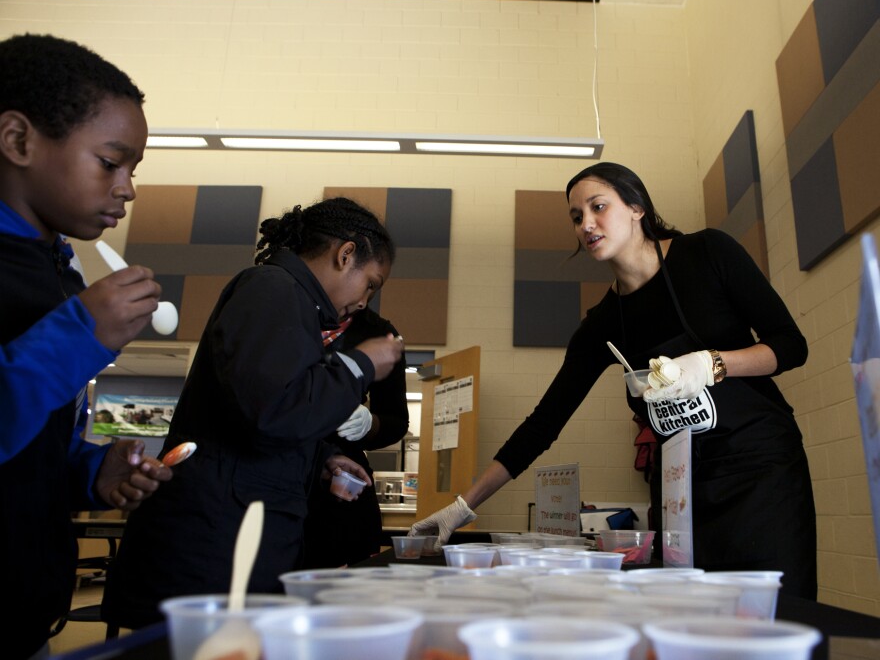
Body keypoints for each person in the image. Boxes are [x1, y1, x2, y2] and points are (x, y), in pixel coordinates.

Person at [410, 162, 818, 599]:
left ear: (637, 207)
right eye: (576, 216)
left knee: (778, 616)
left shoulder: (706, 254)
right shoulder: (601, 327)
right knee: (695, 621)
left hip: (762, 471)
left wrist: (713, 364)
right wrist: (463, 505)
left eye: (598, 207)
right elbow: (541, 426)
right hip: (682, 489)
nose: (586, 224)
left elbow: (791, 346)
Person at [102, 197, 405, 629]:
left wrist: (320, 461)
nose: (364, 302)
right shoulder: (273, 289)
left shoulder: (295, 304)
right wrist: (359, 365)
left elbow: (254, 406)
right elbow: (273, 411)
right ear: (346, 254)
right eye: (371, 284)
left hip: (233, 538)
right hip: (212, 548)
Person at [0, 33, 173, 660]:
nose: (127, 188)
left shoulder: (57, 270)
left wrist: (88, 470)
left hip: (27, 615)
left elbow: (29, 445)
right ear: (19, 141)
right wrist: (79, 336)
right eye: (110, 162)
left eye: (134, 170)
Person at [303, 306, 409, 568]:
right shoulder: (290, 315)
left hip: (340, 484)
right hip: (282, 476)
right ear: (342, 262)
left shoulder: (378, 332)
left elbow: (396, 421)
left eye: (374, 287)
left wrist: (369, 424)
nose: (362, 300)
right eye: (366, 280)